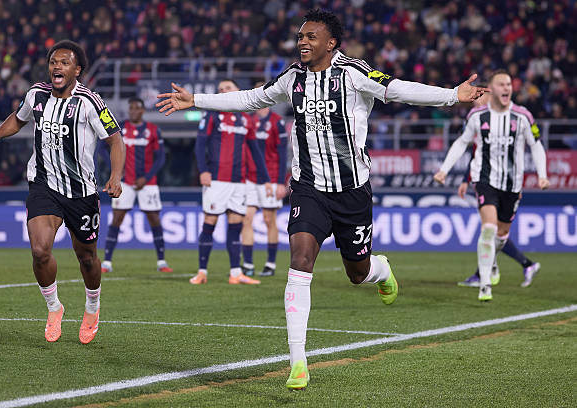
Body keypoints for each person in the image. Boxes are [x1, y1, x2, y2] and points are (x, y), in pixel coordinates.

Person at [157, 9, 487, 389]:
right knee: (300, 261)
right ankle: (298, 361)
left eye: (310, 36)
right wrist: (196, 100)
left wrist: (452, 95)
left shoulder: (354, 73)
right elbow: (252, 99)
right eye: (300, 36)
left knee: (357, 273)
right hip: (308, 187)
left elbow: (398, 89)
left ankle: (381, 270)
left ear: (331, 43)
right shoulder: (292, 77)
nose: (302, 42)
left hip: (352, 192)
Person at [0, 40, 125, 344]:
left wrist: (115, 176)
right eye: (53, 62)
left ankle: (92, 307)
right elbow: (18, 118)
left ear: (77, 70)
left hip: (81, 192)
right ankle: (54, 306)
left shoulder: (90, 102)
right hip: (43, 184)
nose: (56, 67)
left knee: (87, 258)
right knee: (39, 251)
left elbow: (115, 139)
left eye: (64, 62)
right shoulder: (36, 94)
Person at [434, 70, 548, 301]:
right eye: (501, 84)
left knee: (501, 234)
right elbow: (462, 142)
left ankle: (493, 265)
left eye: (509, 84)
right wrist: (444, 170)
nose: (506, 88)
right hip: (485, 179)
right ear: (492, 89)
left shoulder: (523, 116)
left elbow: (536, 145)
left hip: (512, 184)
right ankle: (485, 284)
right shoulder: (477, 116)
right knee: (488, 228)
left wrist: (542, 174)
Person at [189, 79, 272, 285]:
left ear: (238, 91)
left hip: (239, 181)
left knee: (236, 225)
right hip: (216, 180)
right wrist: (203, 170)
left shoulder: (246, 119)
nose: (223, 91)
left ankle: (235, 273)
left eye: (227, 88)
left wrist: (266, 180)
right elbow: (199, 145)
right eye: (220, 89)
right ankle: (202, 272)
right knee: (210, 223)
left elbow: (255, 151)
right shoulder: (211, 114)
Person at [99, 97, 173, 274]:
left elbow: (160, 158)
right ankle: (107, 262)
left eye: (136, 108)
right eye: (130, 108)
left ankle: (162, 262)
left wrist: (146, 178)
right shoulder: (120, 128)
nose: (132, 111)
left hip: (147, 183)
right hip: (124, 182)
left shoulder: (153, 130)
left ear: (142, 111)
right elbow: (102, 148)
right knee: (117, 218)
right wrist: (116, 170)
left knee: (154, 219)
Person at [457, 155, 541, 288]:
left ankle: (485, 273)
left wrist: (517, 186)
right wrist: (465, 180)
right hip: (491, 184)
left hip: (500, 186)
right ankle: (524, 265)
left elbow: (513, 158)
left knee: (493, 232)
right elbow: (476, 156)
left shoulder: (500, 145)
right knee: (493, 232)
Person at [241, 81, 289, 277]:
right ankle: (248, 264)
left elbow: (282, 154)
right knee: (246, 218)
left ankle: (270, 264)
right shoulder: (248, 121)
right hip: (250, 178)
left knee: (269, 220)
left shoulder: (277, 122)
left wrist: (280, 182)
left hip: (270, 177)